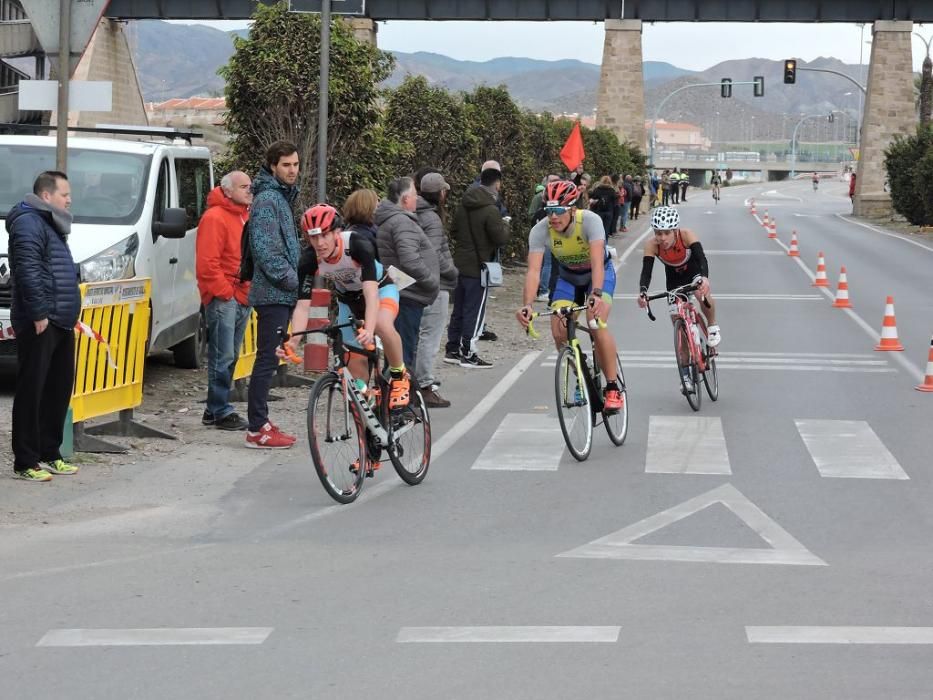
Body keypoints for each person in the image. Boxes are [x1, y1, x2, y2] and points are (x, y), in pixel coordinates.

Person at [284, 204, 409, 409]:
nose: (320, 243)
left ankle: (399, 375)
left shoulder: (358, 244)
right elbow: (302, 306)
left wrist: (369, 330)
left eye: (324, 235)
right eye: (313, 237)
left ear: (337, 232)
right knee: (353, 363)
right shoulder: (308, 260)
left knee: (381, 325)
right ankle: (371, 407)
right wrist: (294, 339)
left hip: (380, 289)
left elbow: (371, 294)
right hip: (348, 301)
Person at [515, 180, 624, 412]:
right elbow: (534, 271)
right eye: (549, 211)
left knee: (596, 323)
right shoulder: (540, 230)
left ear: (573, 209)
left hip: (599, 275)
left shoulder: (591, 221)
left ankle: (613, 387)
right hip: (568, 278)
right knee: (559, 330)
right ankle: (581, 374)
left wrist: (595, 294)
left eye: (559, 211)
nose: (553, 217)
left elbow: (596, 262)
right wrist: (527, 304)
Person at [7, 171, 81, 481]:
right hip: (41, 320)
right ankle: (26, 460)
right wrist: (38, 313)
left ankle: (50, 452)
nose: (69, 199)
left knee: (58, 388)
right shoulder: (28, 222)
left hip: (60, 319)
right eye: (64, 194)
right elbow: (27, 270)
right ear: (47, 195)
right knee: (32, 390)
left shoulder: (51, 221)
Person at [245, 141, 301, 449]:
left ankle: (261, 422)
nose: (292, 170)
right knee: (266, 359)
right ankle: (257, 428)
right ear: (272, 167)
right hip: (273, 293)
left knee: (269, 359)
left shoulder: (278, 197)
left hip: (279, 292)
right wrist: (291, 280)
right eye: (286, 165)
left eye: (295, 164)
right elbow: (266, 250)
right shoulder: (268, 199)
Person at [637, 206, 720, 392]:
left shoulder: (686, 235)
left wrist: (704, 278)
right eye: (658, 233)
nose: (662, 238)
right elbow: (646, 272)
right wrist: (643, 292)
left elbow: (702, 259)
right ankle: (686, 377)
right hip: (674, 282)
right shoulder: (652, 245)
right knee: (679, 327)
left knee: (701, 294)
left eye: (666, 233)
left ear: (675, 230)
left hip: (693, 273)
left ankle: (712, 326)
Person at [196, 170, 252, 431]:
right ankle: (219, 409)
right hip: (225, 296)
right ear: (228, 190)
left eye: (250, 186)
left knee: (229, 355)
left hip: (238, 294)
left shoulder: (244, 216)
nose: (249, 190)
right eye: (244, 186)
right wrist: (226, 292)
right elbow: (207, 264)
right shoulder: (215, 218)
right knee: (224, 355)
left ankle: (215, 408)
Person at [445, 164, 510, 368]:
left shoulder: (463, 204)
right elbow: (500, 238)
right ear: (497, 183)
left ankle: (452, 349)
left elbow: (453, 231)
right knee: (475, 310)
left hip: (460, 264)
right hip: (478, 267)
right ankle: (469, 353)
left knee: (459, 309)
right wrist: (506, 224)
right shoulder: (491, 210)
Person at [374, 176, 439, 369]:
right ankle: (401, 397)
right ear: (404, 200)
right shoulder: (402, 222)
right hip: (408, 293)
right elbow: (410, 258)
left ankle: (396, 394)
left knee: (397, 353)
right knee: (403, 354)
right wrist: (430, 281)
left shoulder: (393, 219)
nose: (417, 199)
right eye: (414, 195)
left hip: (402, 290)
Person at [413, 170, 458, 408]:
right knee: (430, 336)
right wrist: (451, 272)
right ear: (441, 193)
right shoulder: (431, 218)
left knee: (414, 335)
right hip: (433, 283)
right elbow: (433, 252)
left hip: (411, 283)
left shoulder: (410, 212)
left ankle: (408, 381)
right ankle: (424, 385)